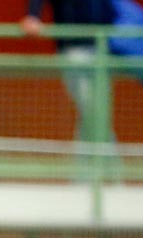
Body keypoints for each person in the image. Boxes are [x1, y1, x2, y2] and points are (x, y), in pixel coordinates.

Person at [20, 0, 118, 172]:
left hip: (104, 49)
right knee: (92, 112)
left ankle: (86, 176)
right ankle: (111, 174)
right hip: (74, 51)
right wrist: (33, 16)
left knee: (94, 114)